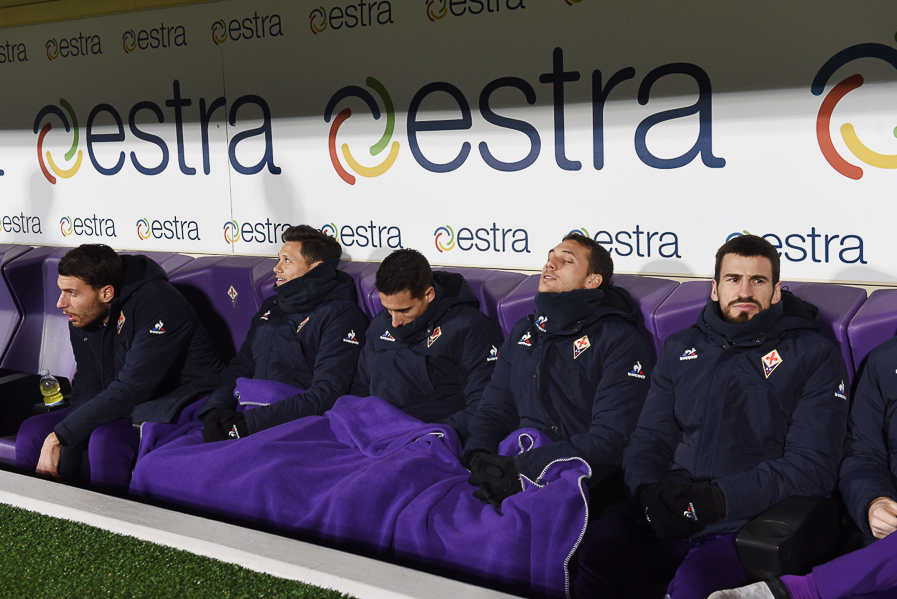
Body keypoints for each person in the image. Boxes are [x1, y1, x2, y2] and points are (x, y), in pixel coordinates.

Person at [573, 235, 850, 599]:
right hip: (670, 503)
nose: (745, 291)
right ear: (716, 289)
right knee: (592, 554)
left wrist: (716, 499)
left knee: (694, 587)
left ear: (777, 291)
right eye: (733, 279)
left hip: (745, 519)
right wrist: (645, 491)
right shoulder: (680, 347)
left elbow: (812, 465)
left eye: (759, 280)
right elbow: (650, 437)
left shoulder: (814, 355)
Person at [461, 232, 652, 509]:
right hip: (512, 461)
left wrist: (521, 469)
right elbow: (494, 407)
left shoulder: (619, 339)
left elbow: (611, 437)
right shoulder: (523, 331)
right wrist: (477, 455)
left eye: (566, 260)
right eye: (549, 258)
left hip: (582, 476)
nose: (550, 265)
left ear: (592, 281)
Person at [15, 244, 223, 488]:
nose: (61, 303)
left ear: (106, 293)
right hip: (129, 403)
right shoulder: (81, 314)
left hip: (183, 403)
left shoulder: (160, 302)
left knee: (105, 438)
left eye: (72, 292)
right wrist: (68, 439)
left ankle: (110, 522)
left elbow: (134, 387)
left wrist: (60, 437)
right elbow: (89, 385)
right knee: (32, 432)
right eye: (61, 291)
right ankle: (47, 513)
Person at [710, 334, 897, 599]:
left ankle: (800, 590)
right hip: (880, 554)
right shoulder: (886, 361)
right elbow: (863, 456)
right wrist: (873, 502)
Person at [200, 224, 368, 441]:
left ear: (316, 268)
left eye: (287, 261)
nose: (276, 268)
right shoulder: (271, 306)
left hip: (297, 426)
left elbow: (327, 394)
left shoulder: (341, 315)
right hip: (247, 414)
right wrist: (216, 409)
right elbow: (241, 365)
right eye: (278, 259)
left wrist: (249, 425)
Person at [350, 248, 504, 441]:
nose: (394, 321)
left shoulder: (472, 328)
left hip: (428, 437)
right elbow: (360, 388)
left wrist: (423, 435)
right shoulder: (380, 324)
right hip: (372, 433)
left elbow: (484, 406)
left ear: (429, 294)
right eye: (387, 309)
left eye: (404, 310)